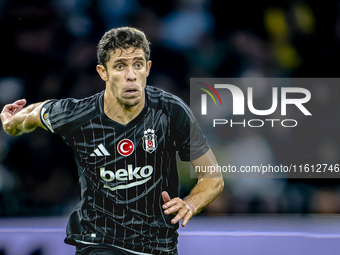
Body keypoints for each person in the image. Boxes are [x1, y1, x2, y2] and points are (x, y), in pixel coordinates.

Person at [0, 27, 224, 255]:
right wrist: (12, 124)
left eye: (138, 64)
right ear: (102, 72)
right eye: (120, 66)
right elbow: (37, 112)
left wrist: (190, 203)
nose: (131, 75)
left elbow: (212, 176)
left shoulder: (171, 111)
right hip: (98, 242)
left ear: (147, 68)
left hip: (159, 246)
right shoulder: (79, 116)